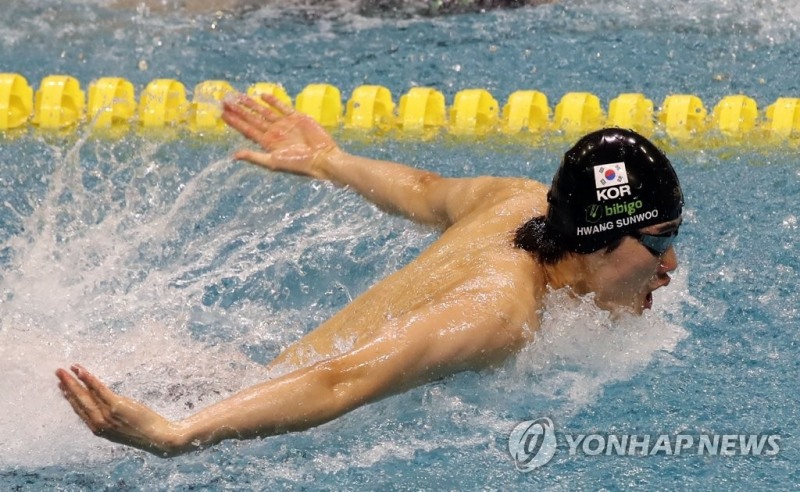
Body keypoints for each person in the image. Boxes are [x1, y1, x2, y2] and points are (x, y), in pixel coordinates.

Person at [56, 93, 683, 457]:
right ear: (599, 240)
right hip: (232, 408)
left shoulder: (519, 203)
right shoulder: (501, 315)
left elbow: (426, 191)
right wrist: (177, 433)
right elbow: (338, 380)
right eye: (660, 241)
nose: (672, 266)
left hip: (228, 377)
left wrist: (332, 159)